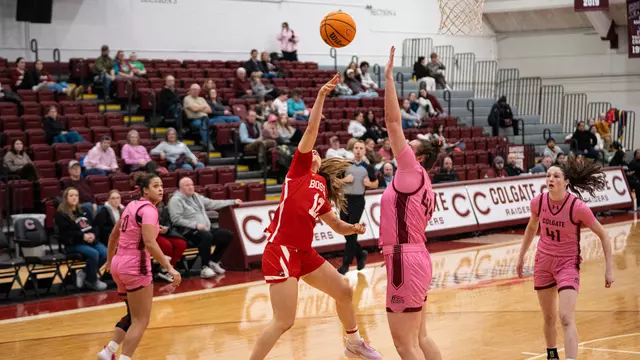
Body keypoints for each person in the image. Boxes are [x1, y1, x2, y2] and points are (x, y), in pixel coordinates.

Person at [249, 74, 381, 360]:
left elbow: (334, 224)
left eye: (318, 154)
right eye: (313, 152)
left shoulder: (320, 186)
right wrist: (321, 96)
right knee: (284, 321)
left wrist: (353, 227)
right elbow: (311, 130)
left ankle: (354, 343)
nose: (315, 154)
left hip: (304, 252)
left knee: (345, 291)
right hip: (281, 250)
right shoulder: (297, 172)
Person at [516, 156, 614, 360]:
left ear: (566, 181)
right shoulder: (538, 202)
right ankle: (552, 355)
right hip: (543, 262)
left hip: (567, 264)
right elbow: (532, 227)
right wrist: (521, 256)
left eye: (556, 175)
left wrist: (609, 269)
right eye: (548, 175)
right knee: (549, 317)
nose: (551, 178)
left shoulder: (577, 207)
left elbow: (603, 234)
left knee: (566, 317)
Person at [380, 46, 443, 360]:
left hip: (405, 259)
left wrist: (389, 78)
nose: (406, 142)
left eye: (411, 144)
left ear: (417, 156)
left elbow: (393, 123)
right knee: (420, 338)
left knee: (405, 345)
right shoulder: (422, 180)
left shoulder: (410, 171)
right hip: (417, 255)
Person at [98, 174, 181, 360]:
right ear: (145, 190)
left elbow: (113, 236)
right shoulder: (150, 210)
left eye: (161, 185)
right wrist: (170, 267)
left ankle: (108, 351)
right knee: (141, 320)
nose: (160, 189)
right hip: (136, 265)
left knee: (132, 313)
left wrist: (110, 261)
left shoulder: (130, 206)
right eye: (155, 185)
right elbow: (150, 243)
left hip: (120, 263)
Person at [168, 178, 240, 278]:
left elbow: (212, 203)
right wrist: (195, 225)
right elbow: (176, 219)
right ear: (180, 188)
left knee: (226, 234)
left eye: (192, 184)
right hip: (187, 233)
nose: (190, 187)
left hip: (204, 230)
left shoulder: (196, 197)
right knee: (206, 236)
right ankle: (204, 267)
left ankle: (213, 262)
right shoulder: (175, 200)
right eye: (187, 185)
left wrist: (232, 202)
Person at [337, 140, 378, 275]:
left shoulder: (368, 167)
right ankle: (360, 254)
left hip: (358, 201)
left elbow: (376, 183)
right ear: (352, 150)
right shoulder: (345, 165)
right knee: (344, 230)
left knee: (352, 230)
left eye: (361, 148)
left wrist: (369, 184)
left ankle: (345, 264)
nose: (358, 150)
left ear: (364, 151)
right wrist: (345, 180)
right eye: (356, 148)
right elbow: (335, 182)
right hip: (344, 200)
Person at [55, 188, 107, 291]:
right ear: (65, 198)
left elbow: (94, 225)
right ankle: (92, 281)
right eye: (71, 195)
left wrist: (93, 235)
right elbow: (65, 233)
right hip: (74, 244)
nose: (74, 197)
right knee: (94, 254)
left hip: (90, 241)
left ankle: (83, 273)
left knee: (105, 253)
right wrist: (82, 236)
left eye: (76, 195)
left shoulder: (84, 210)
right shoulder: (61, 214)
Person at [155, 201, 188, 282]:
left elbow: (169, 222)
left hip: (164, 232)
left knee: (181, 243)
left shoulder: (164, 207)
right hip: (151, 234)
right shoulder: (143, 206)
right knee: (167, 245)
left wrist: (166, 228)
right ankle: (164, 270)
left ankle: (170, 268)